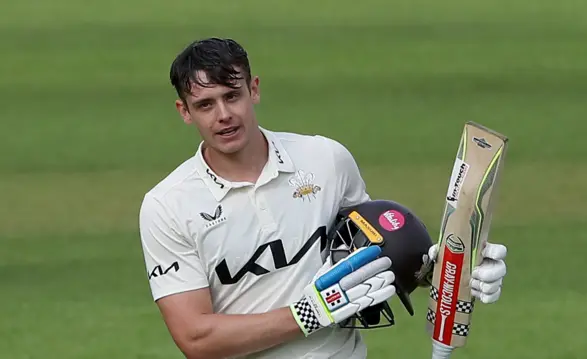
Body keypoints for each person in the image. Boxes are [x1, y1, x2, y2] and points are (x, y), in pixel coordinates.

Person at [137, 37, 508, 359]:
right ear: (184, 112)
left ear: (254, 89)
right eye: (205, 105)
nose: (224, 115)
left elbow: (373, 255)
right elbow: (195, 338)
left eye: (232, 96)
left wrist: (453, 272)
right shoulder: (168, 206)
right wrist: (308, 314)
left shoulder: (325, 160)